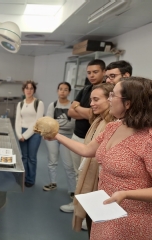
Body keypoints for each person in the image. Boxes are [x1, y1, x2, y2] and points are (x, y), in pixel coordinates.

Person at [45, 77, 152, 240]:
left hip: (132, 218)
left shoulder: (148, 139)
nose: (109, 100)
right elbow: (87, 150)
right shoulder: (113, 127)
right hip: (105, 210)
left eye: (112, 96)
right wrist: (56, 136)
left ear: (128, 103)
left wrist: (126, 194)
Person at [61, 59, 105, 213]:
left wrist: (80, 109)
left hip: (92, 139)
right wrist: (84, 111)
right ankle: (76, 206)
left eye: (95, 72)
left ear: (103, 72)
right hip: (77, 136)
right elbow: (70, 112)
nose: (92, 75)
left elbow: (93, 115)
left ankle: (87, 212)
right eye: (89, 72)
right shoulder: (85, 89)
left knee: (89, 177)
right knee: (77, 173)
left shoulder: (105, 90)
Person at [72, 83, 115, 236]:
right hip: (94, 177)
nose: (91, 104)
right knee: (93, 223)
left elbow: (89, 151)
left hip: (102, 182)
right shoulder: (98, 121)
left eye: (96, 99)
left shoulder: (113, 126)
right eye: (91, 100)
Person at [43, 82, 76, 198]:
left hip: (67, 137)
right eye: (60, 89)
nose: (62, 91)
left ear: (69, 92)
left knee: (69, 165)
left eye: (65, 89)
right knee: (52, 161)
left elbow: (72, 124)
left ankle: (72, 189)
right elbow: (49, 121)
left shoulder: (73, 105)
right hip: (53, 136)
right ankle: (53, 183)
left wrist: (59, 126)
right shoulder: (53, 105)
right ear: (57, 91)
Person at [15, 80, 44, 187]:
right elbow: (18, 120)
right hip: (21, 132)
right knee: (24, 157)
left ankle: (30, 180)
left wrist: (25, 135)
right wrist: (19, 135)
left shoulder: (38, 103)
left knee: (31, 158)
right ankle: (23, 178)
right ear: (23, 90)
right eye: (27, 88)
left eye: (31, 88)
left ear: (34, 90)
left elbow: (37, 122)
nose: (29, 90)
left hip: (35, 133)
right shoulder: (20, 104)